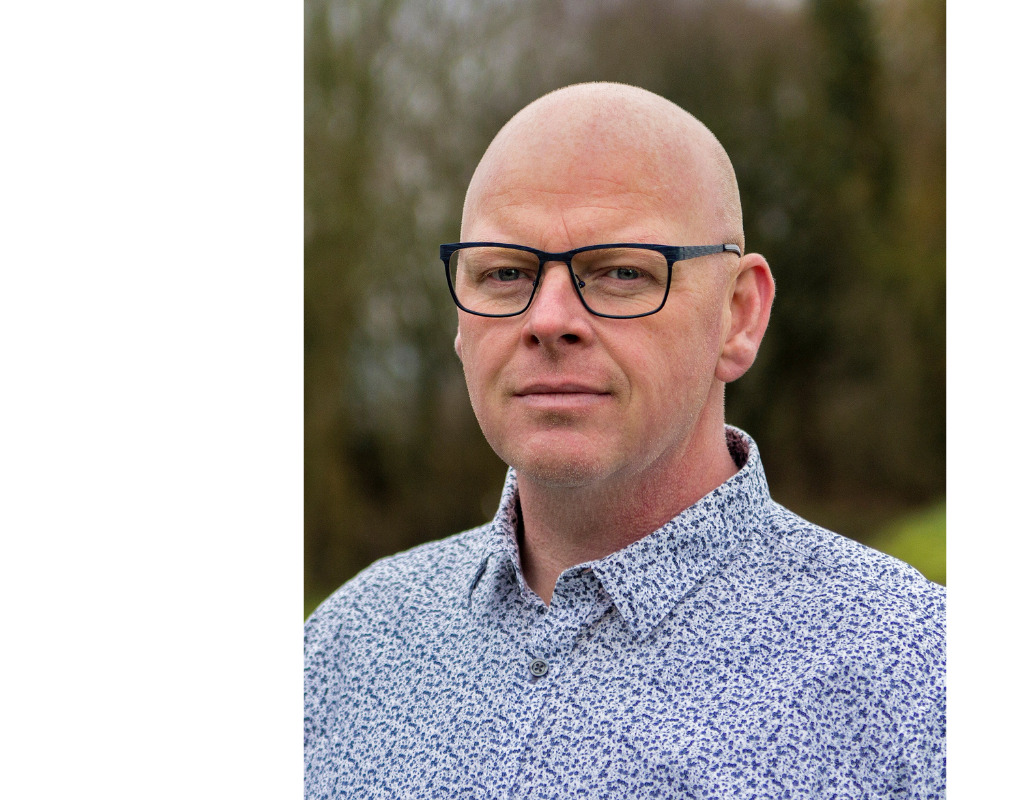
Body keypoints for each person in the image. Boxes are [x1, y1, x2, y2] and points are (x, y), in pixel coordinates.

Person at [304, 82, 946, 799]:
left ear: (738, 315)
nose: (549, 319)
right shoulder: (342, 652)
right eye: (504, 272)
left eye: (620, 272)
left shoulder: (918, 680)